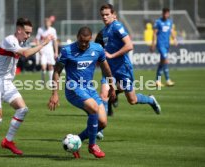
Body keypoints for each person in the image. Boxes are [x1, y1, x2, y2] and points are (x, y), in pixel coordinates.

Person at [0, 17, 53, 159]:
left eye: (30, 33)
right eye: (26, 32)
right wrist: (44, 43)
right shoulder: (10, 40)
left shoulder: (19, 41)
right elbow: (25, 54)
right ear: (18, 30)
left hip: (6, 82)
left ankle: (7, 141)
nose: (28, 36)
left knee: (22, 109)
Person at [48, 27, 116, 159]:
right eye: (81, 41)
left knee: (102, 123)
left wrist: (112, 86)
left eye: (86, 41)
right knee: (94, 108)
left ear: (90, 38)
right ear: (77, 37)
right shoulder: (67, 50)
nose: (83, 44)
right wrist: (54, 93)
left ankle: (76, 141)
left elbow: (106, 68)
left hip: (89, 88)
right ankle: (92, 146)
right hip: (73, 89)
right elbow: (57, 71)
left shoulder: (97, 49)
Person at [99, 4, 161, 116]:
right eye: (103, 15)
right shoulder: (104, 31)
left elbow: (129, 46)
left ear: (113, 15)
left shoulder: (117, 26)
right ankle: (99, 129)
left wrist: (112, 55)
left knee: (132, 100)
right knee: (104, 95)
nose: (105, 17)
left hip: (123, 69)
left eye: (107, 14)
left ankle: (151, 100)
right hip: (109, 69)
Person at [151, 8, 177, 87]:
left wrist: (174, 39)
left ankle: (157, 81)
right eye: (164, 13)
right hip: (160, 44)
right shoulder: (158, 22)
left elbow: (171, 31)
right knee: (165, 60)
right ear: (162, 14)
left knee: (162, 62)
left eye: (167, 13)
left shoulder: (170, 22)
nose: (165, 15)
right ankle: (168, 79)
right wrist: (153, 44)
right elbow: (154, 33)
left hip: (166, 44)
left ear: (168, 14)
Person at [36, 18, 58, 86]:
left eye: (48, 22)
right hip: (43, 50)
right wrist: (39, 49)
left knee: (51, 66)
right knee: (43, 67)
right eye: (46, 22)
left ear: (50, 23)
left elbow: (55, 41)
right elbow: (37, 40)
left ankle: (51, 82)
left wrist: (56, 52)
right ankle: (42, 81)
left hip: (50, 50)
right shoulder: (40, 30)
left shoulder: (53, 30)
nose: (47, 23)